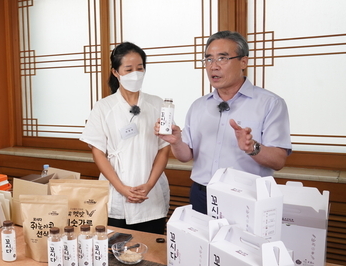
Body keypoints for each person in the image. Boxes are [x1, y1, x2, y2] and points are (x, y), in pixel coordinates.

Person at [156, 31, 291, 214]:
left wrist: (252, 147)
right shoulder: (198, 106)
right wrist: (176, 141)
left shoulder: (270, 103)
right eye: (209, 59)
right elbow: (186, 156)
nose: (214, 66)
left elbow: (278, 161)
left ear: (243, 62)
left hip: (247, 197)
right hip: (201, 194)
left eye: (222, 58)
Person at [80, 42, 170, 234]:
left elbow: (164, 148)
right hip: (116, 193)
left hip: (151, 195)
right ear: (115, 72)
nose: (135, 74)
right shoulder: (104, 107)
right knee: (115, 248)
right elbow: (98, 152)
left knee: (152, 248)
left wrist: (149, 185)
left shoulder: (157, 104)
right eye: (128, 69)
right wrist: (121, 188)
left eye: (140, 68)